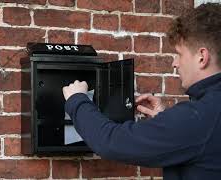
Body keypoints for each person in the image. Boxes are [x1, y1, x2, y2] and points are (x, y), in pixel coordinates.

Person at [62, 3, 221, 180]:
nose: (175, 63)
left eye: (179, 54)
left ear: (202, 57)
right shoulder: (203, 116)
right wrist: (167, 122)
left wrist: (77, 99)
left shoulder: (199, 118)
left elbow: (110, 142)